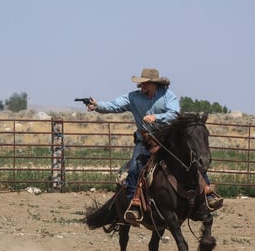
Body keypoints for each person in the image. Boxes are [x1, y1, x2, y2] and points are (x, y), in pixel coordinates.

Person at [86, 67, 223, 224]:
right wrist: (97, 106)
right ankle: (134, 204)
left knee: (189, 160)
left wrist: (156, 117)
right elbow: (114, 105)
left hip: (167, 139)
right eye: (141, 84)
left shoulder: (168, 96)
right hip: (146, 140)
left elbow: (174, 113)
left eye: (145, 84)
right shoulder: (133, 97)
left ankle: (207, 192)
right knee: (135, 168)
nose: (141, 87)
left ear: (154, 84)